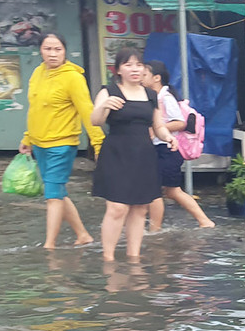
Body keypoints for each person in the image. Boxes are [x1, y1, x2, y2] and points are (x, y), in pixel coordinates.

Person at [90, 47, 177, 262]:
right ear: (118, 69)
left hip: (143, 155)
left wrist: (168, 137)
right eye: (128, 65)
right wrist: (103, 107)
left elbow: (158, 125)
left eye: (138, 65)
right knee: (117, 207)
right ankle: (108, 258)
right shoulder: (109, 91)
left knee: (140, 207)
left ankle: (133, 257)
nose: (134, 69)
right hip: (116, 153)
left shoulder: (150, 94)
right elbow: (95, 121)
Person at [20, 33, 104, 249]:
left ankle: (49, 245)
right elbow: (35, 107)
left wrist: (99, 143)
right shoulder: (38, 73)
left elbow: (87, 111)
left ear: (65, 51)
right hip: (39, 143)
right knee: (57, 191)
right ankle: (83, 235)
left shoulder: (73, 77)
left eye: (57, 49)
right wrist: (27, 137)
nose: (53, 54)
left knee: (52, 197)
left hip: (62, 144)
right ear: (40, 50)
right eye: (48, 49)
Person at [143, 61, 214, 230]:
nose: (141, 77)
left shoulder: (166, 98)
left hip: (167, 150)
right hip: (160, 150)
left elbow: (180, 123)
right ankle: (203, 221)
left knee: (161, 191)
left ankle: (156, 229)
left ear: (157, 78)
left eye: (145, 74)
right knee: (168, 191)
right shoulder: (154, 98)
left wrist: (158, 128)